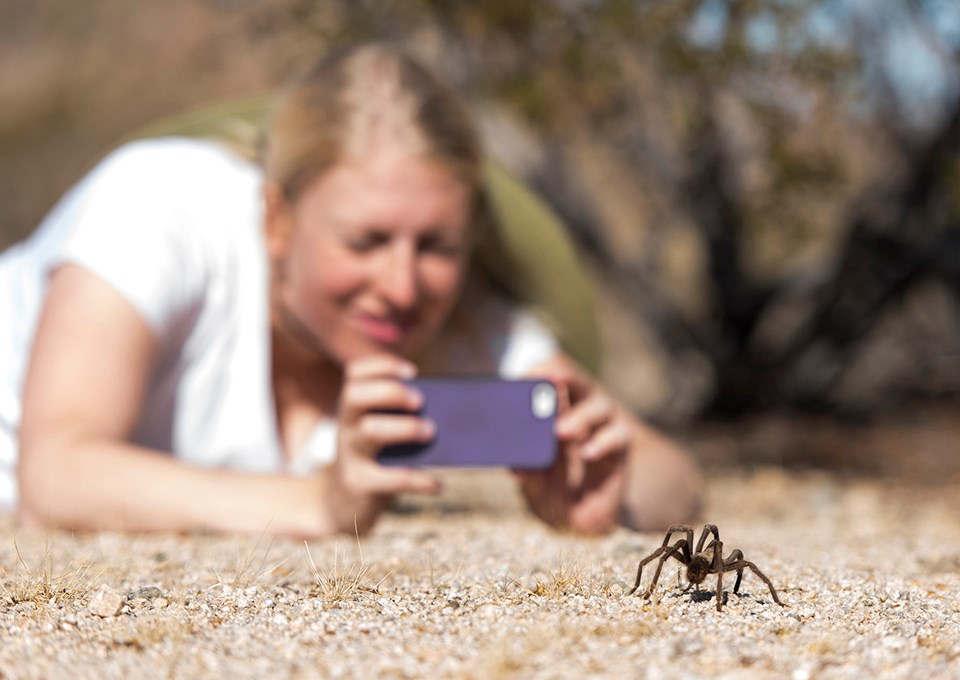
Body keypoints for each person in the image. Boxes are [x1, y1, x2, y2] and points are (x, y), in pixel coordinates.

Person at [1, 44, 701, 538]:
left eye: (436, 246)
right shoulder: (159, 208)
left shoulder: (463, 323)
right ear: (277, 219)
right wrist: (317, 504)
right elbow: (54, 476)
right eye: (364, 242)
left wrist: (603, 480)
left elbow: (677, 484)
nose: (400, 287)